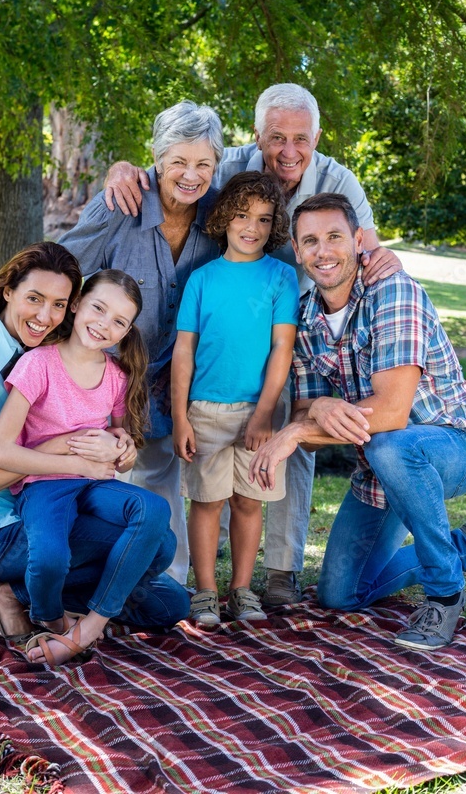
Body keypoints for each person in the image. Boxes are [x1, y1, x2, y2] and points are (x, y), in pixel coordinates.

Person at [103, 83, 402, 605]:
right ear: (257, 135)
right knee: (208, 485)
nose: (289, 150)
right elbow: (178, 173)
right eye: (276, 137)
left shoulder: (338, 180)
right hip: (220, 332)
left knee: (290, 442)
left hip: (303, 324)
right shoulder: (227, 168)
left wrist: (385, 263)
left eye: (301, 139)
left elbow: (368, 248)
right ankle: (203, 580)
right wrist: (126, 170)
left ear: (317, 137)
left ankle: (280, 569)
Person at [249, 193, 466, 649]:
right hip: (380, 470)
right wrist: (314, 410)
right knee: (339, 593)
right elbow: (307, 426)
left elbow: (390, 414)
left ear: (357, 240)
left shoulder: (393, 291)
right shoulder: (308, 319)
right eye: (310, 240)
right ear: (295, 248)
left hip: (455, 446)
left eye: (334, 237)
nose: (323, 251)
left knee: (389, 445)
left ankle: (445, 595)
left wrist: (296, 429)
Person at [0, 243, 189, 654]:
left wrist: (118, 443)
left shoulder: (48, 347)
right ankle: (17, 592)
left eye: (58, 304)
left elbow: (98, 415)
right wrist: (68, 451)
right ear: (7, 291)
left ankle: (33, 593)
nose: (44, 316)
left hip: (63, 496)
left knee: (170, 600)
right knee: (156, 547)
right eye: (34, 299)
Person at [60, 101, 224, 584]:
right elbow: (62, 267)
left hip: (175, 379)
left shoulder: (219, 215)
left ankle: (162, 585)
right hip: (105, 378)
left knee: (161, 483)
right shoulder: (121, 201)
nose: (190, 175)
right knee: (95, 482)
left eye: (203, 164)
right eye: (178, 161)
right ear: (156, 158)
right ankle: (81, 582)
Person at [0, 269, 171, 666]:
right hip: (44, 484)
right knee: (52, 557)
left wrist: (124, 449)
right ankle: (46, 615)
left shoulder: (116, 376)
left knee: (156, 514)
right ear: (76, 305)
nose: (104, 324)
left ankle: (89, 625)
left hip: (94, 484)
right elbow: (1, 452)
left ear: (126, 332)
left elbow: (125, 442)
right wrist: (77, 461)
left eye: (118, 321)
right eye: (98, 308)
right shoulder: (38, 365)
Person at [172, 173, 300, 624]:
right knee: (206, 502)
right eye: (243, 215)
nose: (253, 227)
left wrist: (266, 412)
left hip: (260, 413)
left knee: (249, 502)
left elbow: (282, 347)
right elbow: (183, 351)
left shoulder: (283, 277)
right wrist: (180, 416)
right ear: (224, 217)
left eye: (265, 219)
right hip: (204, 409)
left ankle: (241, 589)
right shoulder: (201, 280)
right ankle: (205, 591)